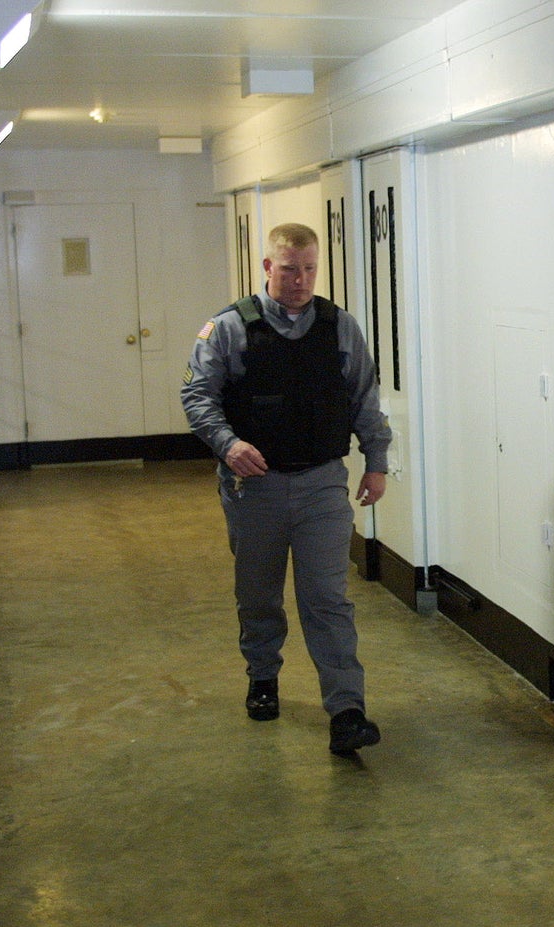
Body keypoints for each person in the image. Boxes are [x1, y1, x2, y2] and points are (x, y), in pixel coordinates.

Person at [181, 222, 392, 757]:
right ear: (268, 268)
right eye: (290, 268)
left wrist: (377, 460)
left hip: (323, 482)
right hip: (256, 487)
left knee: (327, 598)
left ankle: (347, 711)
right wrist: (228, 445)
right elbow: (198, 396)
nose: (301, 280)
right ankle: (262, 675)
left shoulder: (339, 326)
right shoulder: (228, 328)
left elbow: (364, 395)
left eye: (310, 269)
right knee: (259, 594)